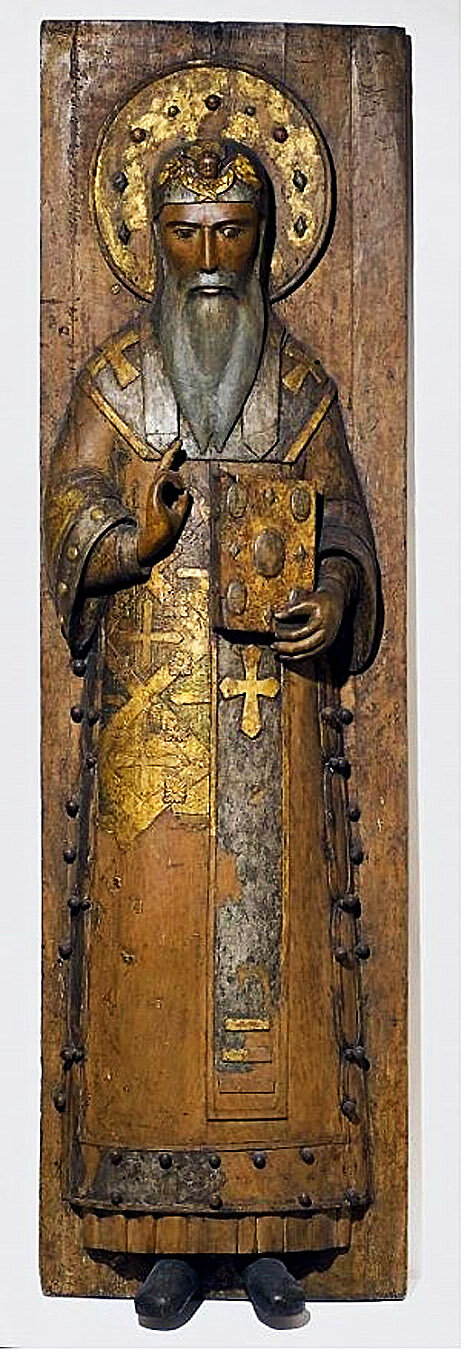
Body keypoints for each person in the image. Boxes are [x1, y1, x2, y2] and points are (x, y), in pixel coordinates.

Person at [44, 137, 379, 1329]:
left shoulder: (298, 387)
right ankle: (162, 1244)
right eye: (183, 233)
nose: (205, 260)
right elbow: (67, 504)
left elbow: (344, 519)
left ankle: (274, 1235)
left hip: (272, 721)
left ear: (263, 241)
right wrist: (128, 540)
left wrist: (332, 591)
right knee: (154, 954)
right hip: (153, 729)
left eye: (227, 233)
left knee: (272, 970)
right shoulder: (117, 380)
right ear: (150, 238)